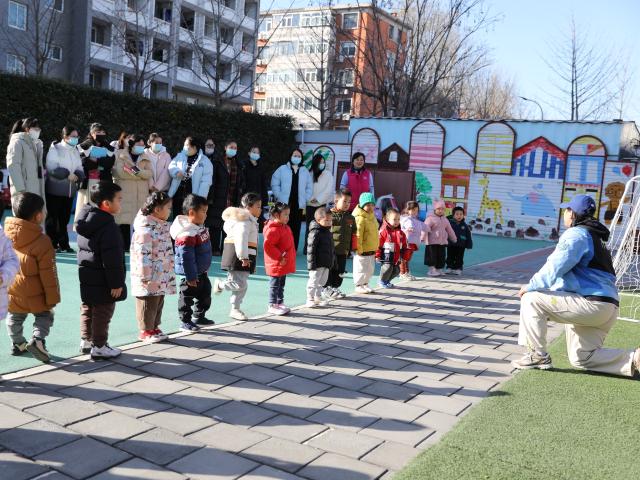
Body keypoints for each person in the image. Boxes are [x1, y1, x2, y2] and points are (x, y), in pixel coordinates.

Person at [514, 194, 640, 375]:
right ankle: (635, 359)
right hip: (608, 307)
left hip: (591, 305)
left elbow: (555, 266)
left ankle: (537, 355)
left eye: (567, 210)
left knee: (531, 299)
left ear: (572, 214)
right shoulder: (595, 237)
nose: (564, 213)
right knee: (582, 357)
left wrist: (530, 286)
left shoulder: (576, 234)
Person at [5, 192, 59, 363]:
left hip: (12, 289)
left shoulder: (5, 235)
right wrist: (52, 298)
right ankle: (38, 340)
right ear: (38, 216)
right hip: (36, 292)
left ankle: (18, 343)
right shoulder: (42, 241)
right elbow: (48, 273)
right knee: (44, 315)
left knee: (14, 316)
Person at [75, 182, 127, 360]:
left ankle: (86, 340)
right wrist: (116, 283)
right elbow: (112, 259)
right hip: (104, 279)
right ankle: (99, 346)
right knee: (103, 312)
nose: (121, 203)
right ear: (106, 203)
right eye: (119, 199)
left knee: (88, 307)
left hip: (88, 276)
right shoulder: (108, 226)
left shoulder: (85, 221)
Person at [130, 192, 176, 343]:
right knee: (147, 302)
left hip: (160, 273)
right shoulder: (145, 229)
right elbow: (142, 256)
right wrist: (145, 277)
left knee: (158, 300)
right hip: (148, 276)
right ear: (157, 209)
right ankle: (145, 330)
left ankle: (154, 327)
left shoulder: (160, 226)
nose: (170, 211)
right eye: (168, 208)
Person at [214, 192, 261, 321]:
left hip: (242, 255)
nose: (260, 209)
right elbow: (241, 239)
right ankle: (221, 285)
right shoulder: (244, 221)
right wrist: (243, 257)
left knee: (242, 283)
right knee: (240, 283)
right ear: (248, 207)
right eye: (258, 206)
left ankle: (235, 308)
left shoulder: (249, 220)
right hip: (238, 256)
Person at [170, 194, 213, 331]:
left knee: (205, 294)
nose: (206, 215)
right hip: (190, 274)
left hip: (201, 271)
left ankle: (199, 316)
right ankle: (185, 321)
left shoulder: (199, 227)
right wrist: (190, 276)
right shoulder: (186, 234)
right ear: (191, 213)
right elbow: (186, 258)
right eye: (203, 211)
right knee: (186, 297)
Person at [45, 125, 85, 253]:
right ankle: (51, 243)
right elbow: (51, 167)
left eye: (77, 136)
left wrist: (78, 174)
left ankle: (64, 243)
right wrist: (67, 174)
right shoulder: (55, 148)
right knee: (53, 217)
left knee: (64, 218)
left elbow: (79, 166)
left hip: (69, 190)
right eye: (73, 136)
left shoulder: (75, 150)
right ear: (65, 136)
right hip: (55, 189)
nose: (76, 139)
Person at [113, 134, 153, 251]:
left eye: (143, 145)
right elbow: (120, 173)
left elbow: (149, 173)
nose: (141, 147)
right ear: (131, 145)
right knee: (123, 219)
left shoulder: (145, 156)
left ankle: (139, 244)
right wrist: (140, 174)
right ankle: (124, 245)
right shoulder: (120, 154)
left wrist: (135, 171)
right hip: (125, 191)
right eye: (138, 144)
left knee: (140, 220)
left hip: (141, 193)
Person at [270, 149, 313, 252]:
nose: (296, 158)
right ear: (290, 156)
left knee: (296, 227)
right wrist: (279, 195)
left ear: (301, 158)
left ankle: (293, 249)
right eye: (295, 155)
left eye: (299, 156)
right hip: (285, 204)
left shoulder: (305, 171)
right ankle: (282, 247)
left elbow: (309, 187)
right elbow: (275, 183)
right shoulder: (282, 169)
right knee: (283, 226)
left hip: (298, 204)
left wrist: (305, 198)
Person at [208, 140, 245, 255]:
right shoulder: (217, 161)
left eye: (235, 148)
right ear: (225, 147)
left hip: (232, 198)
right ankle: (214, 248)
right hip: (218, 197)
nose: (233, 149)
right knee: (215, 224)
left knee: (230, 225)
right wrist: (211, 197)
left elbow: (241, 182)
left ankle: (226, 249)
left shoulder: (239, 164)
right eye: (231, 147)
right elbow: (213, 180)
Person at [75, 123, 115, 225]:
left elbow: (109, 163)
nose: (101, 134)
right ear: (92, 133)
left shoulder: (109, 147)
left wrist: (96, 161)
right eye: (98, 132)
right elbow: (83, 162)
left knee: (102, 207)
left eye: (103, 132)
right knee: (86, 209)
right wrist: (100, 162)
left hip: (103, 181)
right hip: (87, 182)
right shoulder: (84, 146)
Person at [263, 202, 296, 315]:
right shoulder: (273, 229)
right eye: (285, 214)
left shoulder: (285, 227)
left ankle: (279, 302)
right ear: (276, 215)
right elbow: (269, 246)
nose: (288, 217)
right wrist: (279, 257)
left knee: (281, 285)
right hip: (276, 263)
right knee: (275, 285)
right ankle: (272, 304)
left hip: (282, 263)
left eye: (288, 214)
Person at [168, 137, 213, 220]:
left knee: (189, 218)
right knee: (177, 217)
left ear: (194, 147)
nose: (184, 147)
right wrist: (176, 172)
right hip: (178, 192)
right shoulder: (180, 156)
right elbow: (171, 166)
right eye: (184, 145)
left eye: (187, 145)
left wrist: (200, 199)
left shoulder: (205, 161)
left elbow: (206, 182)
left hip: (192, 195)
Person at [324, 188, 356, 299]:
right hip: (331, 251)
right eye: (344, 201)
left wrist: (353, 248)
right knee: (330, 270)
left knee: (340, 271)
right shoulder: (329, 216)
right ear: (336, 201)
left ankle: (335, 287)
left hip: (343, 251)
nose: (347, 204)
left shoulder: (350, 218)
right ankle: (327, 289)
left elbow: (354, 233)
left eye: (349, 202)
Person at [6, 118, 46, 204]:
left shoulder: (36, 144)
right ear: (27, 129)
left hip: (36, 191)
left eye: (39, 129)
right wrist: (21, 190)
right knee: (24, 212)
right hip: (23, 193)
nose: (38, 131)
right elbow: (13, 166)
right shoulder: (17, 142)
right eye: (36, 129)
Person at [304, 153, 335, 255]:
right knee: (309, 227)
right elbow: (305, 188)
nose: (322, 164)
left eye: (323, 162)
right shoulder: (309, 174)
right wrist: (310, 199)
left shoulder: (328, 174)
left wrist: (318, 199)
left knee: (321, 227)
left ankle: (319, 249)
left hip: (321, 205)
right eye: (320, 162)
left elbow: (328, 189)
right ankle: (307, 248)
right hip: (310, 205)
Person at [306, 207, 335, 308]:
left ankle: (317, 296)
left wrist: (331, 261)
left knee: (322, 282)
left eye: (330, 220)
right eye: (326, 220)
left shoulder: (328, 232)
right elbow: (311, 249)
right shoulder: (315, 232)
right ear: (318, 220)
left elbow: (331, 248)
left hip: (325, 262)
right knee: (313, 281)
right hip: (317, 263)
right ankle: (310, 298)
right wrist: (312, 265)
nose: (329, 222)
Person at [353, 192, 379, 294]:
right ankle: (359, 285)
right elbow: (358, 235)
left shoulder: (372, 217)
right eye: (368, 205)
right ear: (362, 205)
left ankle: (365, 283)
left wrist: (376, 246)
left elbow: (375, 232)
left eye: (372, 205)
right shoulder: (359, 218)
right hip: (362, 250)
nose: (370, 207)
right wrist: (359, 248)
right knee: (360, 268)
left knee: (369, 269)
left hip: (371, 248)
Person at [239, 146, 270, 231]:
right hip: (246, 200)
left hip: (258, 200)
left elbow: (263, 185)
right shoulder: (243, 165)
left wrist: (265, 201)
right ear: (249, 153)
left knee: (256, 225)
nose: (255, 154)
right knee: (245, 224)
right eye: (253, 152)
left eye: (257, 152)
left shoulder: (261, 167)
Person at [423, 199, 457, 276]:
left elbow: (450, 230)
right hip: (432, 242)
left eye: (442, 209)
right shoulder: (430, 218)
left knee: (441, 256)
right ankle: (431, 270)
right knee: (432, 256)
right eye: (438, 209)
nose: (440, 211)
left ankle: (439, 269)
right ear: (435, 209)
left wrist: (453, 238)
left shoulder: (445, 219)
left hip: (442, 242)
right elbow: (425, 228)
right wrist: (422, 237)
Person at [377, 208, 407, 288]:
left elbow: (404, 245)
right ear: (387, 220)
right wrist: (377, 254)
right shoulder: (384, 231)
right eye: (394, 219)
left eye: (398, 219)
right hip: (387, 255)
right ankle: (381, 281)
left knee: (397, 270)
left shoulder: (401, 233)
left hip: (396, 257)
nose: (397, 221)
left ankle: (387, 281)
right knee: (387, 268)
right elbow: (378, 244)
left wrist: (404, 256)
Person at [400, 200, 427, 281]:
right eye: (413, 210)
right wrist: (409, 227)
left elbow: (423, 226)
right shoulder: (406, 219)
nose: (415, 212)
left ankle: (407, 273)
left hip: (413, 242)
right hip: (407, 242)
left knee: (407, 258)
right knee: (404, 258)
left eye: (416, 210)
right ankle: (403, 273)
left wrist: (430, 228)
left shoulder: (416, 220)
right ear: (407, 210)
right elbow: (408, 224)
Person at [446, 206, 473, 275]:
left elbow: (468, 235)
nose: (459, 216)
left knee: (459, 257)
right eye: (457, 214)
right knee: (450, 256)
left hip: (461, 245)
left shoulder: (465, 225)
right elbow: (446, 232)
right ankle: (449, 267)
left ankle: (458, 268)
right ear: (453, 215)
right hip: (451, 244)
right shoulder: (449, 224)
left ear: (463, 215)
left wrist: (469, 245)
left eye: (461, 214)